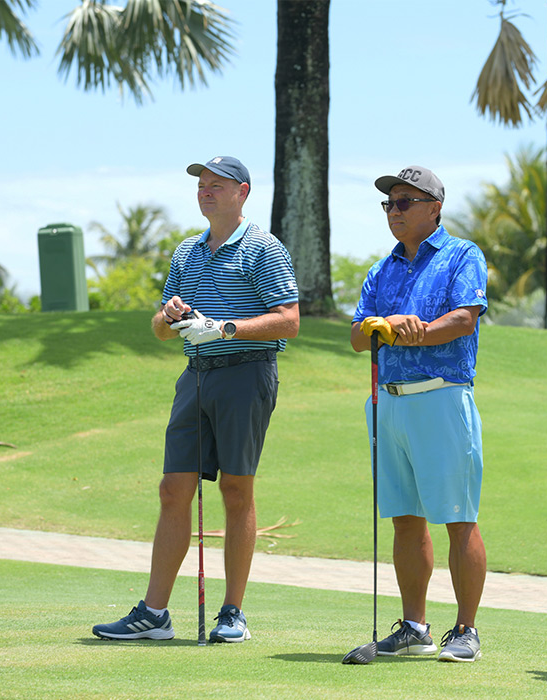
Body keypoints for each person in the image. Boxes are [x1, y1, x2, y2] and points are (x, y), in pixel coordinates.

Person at [93, 156, 299, 643]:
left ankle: (233, 612)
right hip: (196, 375)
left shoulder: (264, 248)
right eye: (202, 185)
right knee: (172, 489)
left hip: (246, 374)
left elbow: (289, 320)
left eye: (217, 185)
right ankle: (154, 613)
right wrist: (173, 316)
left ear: (242, 192)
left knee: (235, 491)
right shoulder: (186, 251)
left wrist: (222, 327)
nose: (206, 191)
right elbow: (160, 331)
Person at [350, 165, 489, 663]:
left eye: (404, 202)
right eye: (389, 204)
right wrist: (379, 324)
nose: (394, 211)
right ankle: (414, 626)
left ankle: (466, 629)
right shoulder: (381, 269)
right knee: (404, 519)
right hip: (387, 401)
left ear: (434, 208)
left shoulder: (461, 255)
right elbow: (355, 335)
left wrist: (417, 330)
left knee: (458, 517)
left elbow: (464, 317)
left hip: (441, 396)